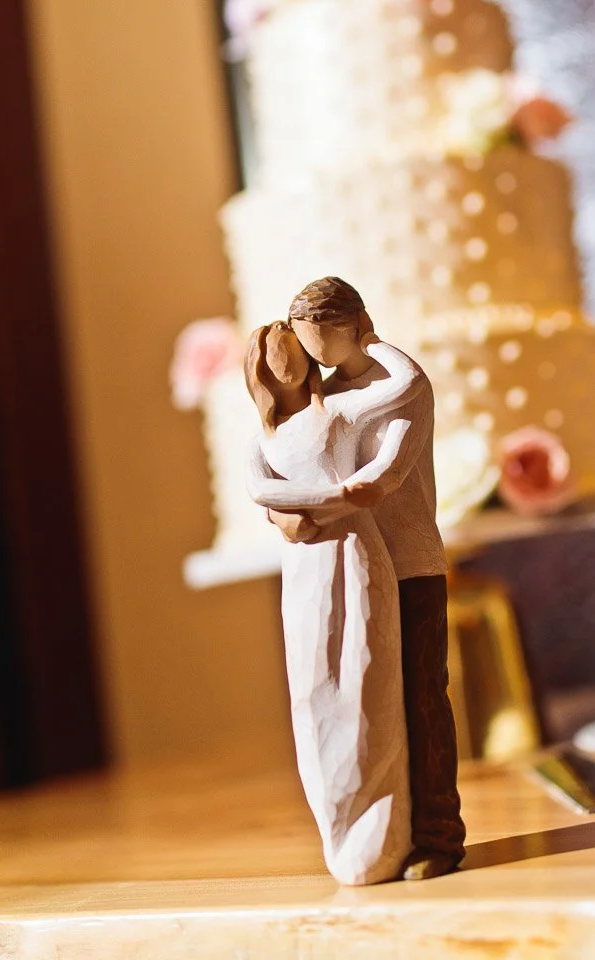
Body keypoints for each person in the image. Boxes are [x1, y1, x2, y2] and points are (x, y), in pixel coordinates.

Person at [285, 277, 466, 882]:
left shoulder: (400, 386)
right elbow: (296, 460)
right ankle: (385, 831)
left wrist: (314, 506)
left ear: (351, 326)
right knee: (367, 707)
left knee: (421, 698)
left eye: (319, 339)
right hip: (352, 571)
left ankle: (438, 834)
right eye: (305, 342)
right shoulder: (328, 398)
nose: (312, 355)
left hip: (408, 563)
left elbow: (385, 478)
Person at [244, 319, 421, 885]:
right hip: (305, 567)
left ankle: (382, 837)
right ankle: (337, 832)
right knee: (313, 689)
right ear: (259, 369)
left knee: (367, 682)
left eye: (292, 349)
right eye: (273, 355)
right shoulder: (264, 438)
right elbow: (261, 490)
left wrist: (369, 341)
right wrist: (335, 496)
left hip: (355, 553)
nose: (284, 361)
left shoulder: (339, 412)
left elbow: (409, 384)